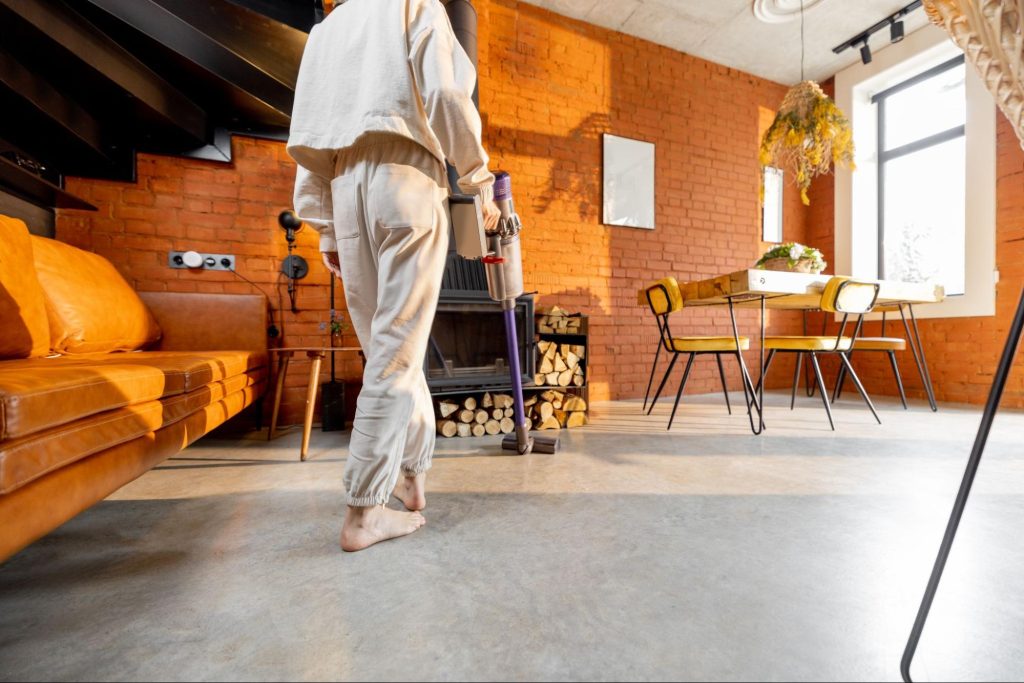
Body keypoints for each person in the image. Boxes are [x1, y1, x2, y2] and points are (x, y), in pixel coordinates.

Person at [288, 0, 500, 552]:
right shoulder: (414, 3)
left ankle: (411, 476)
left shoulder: (325, 31)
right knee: (397, 354)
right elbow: (446, 96)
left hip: (343, 187)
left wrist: (328, 230)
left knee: (391, 351)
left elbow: (308, 139)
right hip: (407, 176)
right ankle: (363, 512)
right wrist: (479, 180)